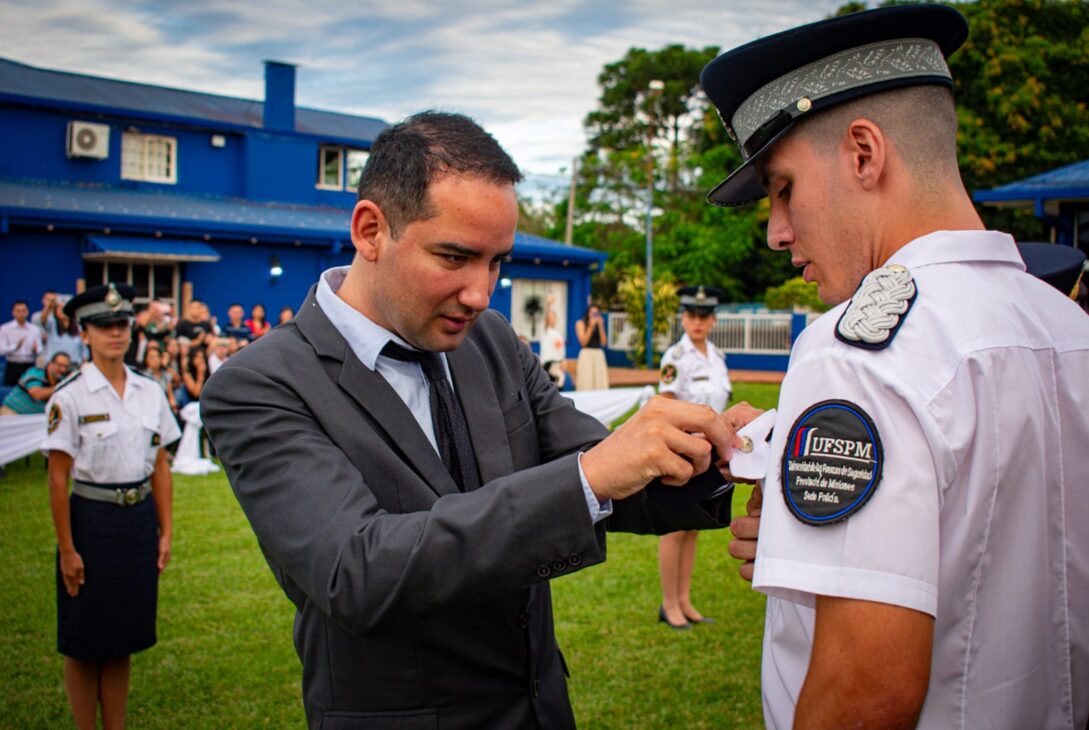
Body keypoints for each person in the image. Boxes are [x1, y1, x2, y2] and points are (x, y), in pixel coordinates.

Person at [201, 111, 751, 729]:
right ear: (370, 230)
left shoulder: (487, 339)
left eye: (496, 262)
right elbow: (356, 573)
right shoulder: (260, 384)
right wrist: (590, 476)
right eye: (455, 256)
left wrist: (729, 455)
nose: (481, 293)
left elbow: (608, 474)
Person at [704, 5, 1089, 727]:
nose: (776, 232)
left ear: (862, 153)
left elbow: (864, 692)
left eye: (782, 187)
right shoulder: (1066, 327)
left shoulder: (853, 351)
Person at [41, 283, 180, 730]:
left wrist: (165, 531)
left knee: (122, 635)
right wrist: (67, 549)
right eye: (103, 327)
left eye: (121, 325)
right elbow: (58, 477)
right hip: (92, 522)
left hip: (135, 522)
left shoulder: (149, 390)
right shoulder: (71, 396)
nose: (115, 334)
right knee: (83, 640)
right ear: (84, 334)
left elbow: (160, 465)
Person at [655, 285, 732, 629]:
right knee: (674, 529)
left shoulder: (717, 357)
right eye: (690, 315)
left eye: (703, 316)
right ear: (683, 318)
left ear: (712, 320)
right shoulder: (675, 358)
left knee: (693, 528)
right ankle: (669, 604)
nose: (697, 322)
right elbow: (666, 406)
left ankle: (685, 600)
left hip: (709, 455)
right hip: (682, 451)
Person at [0, 351, 70, 415]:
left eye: (66, 367)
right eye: (60, 365)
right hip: (12, 412)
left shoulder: (62, 379)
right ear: (50, 364)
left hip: (36, 420)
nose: (63, 369)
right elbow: (37, 394)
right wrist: (62, 386)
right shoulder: (35, 373)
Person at [1, 299, 43, 386]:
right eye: (18, 311)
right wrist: (15, 347)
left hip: (29, 365)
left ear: (27, 312)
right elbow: (1, 350)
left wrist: (36, 350)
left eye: (24, 311)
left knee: (30, 389)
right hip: (12, 365)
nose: (21, 314)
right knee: (9, 391)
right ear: (13, 312)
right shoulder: (5, 328)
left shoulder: (34, 329)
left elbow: (40, 349)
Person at [574, 304, 608, 390]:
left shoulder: (599, 325)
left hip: (598, 355)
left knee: (599, 382)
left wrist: (601, 326)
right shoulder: (580, 323)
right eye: (592, 313)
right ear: (588, 314)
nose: (594, 316)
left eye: (597, 313)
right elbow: (583, 343)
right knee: (586, 382)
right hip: (586, 355)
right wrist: (590, 326)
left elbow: (604, 343)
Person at [538, 297, 567, 389]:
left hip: (558, 364)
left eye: (553, 315)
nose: (551, 317)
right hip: (548, 364)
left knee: (560, 384)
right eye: (549, 316)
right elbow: (546, 318)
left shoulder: (558, 334)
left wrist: (563, 361)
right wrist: (548, 305)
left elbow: (561, 350)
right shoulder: (546, 331)